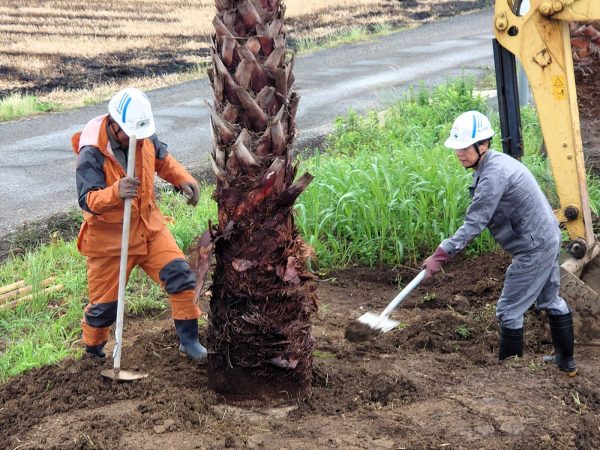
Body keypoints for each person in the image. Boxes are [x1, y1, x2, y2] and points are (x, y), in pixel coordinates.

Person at [422, 110, 576, 376]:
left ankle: (510, 378)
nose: (459, 153)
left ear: (482, 145)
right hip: (546, 237)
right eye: (456, 147)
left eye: (464, 147)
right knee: (550, 300)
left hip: (534, 246)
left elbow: (475, 223)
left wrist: (442, 253)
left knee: (508, 311)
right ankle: (567, 363)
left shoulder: (494, 175)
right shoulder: (495, 164)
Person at [72, 87, 207, 362]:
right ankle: (93, 353)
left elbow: (163, 161)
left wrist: (183, 180)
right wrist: (116, 192)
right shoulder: (92, 152)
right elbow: (87, 200)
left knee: (180, 275)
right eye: (130, 134)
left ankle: (189, 341)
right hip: (109, 240)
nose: (138, 139)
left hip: (148, 227)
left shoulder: (143, 133)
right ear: (114, 124)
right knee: (105, 308)